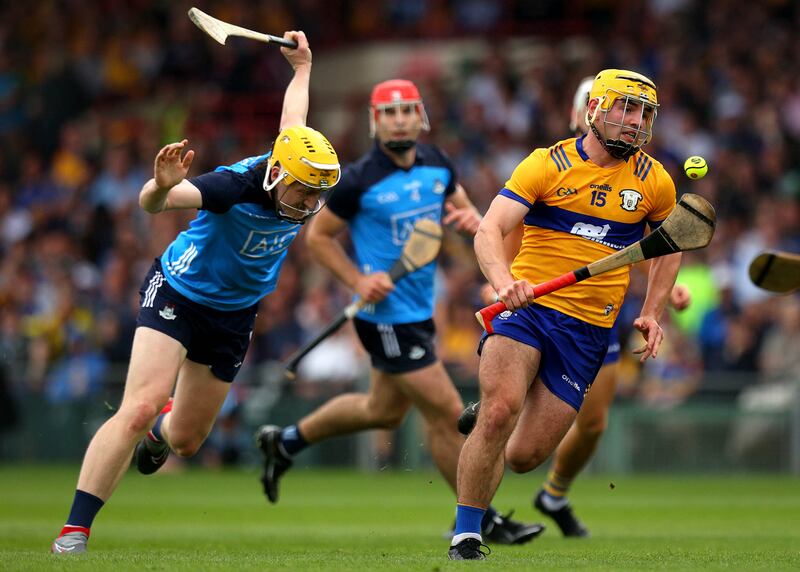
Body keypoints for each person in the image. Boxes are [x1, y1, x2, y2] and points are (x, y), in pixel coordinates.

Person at [50, 31, 341, 554]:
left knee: (186, 440)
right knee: (138, 407)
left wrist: (302, 67)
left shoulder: (292, 163)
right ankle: (74, 531)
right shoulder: (233, 185)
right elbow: (152, 206)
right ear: (276, 174)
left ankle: (162, 434)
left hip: (233, 315)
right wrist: (161, 184)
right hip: (178, 293)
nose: (308, 200)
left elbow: (292, 123)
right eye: (303, 189)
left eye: (317, 192)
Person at [256, 78, 544, 545]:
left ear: (421, 116)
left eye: (406, 110)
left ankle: (284, 442)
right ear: (376, 121)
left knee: (383, 411)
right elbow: (318, 238)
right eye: (388, 113)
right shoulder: (359, 178)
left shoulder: (437, 164)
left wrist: (472, 220)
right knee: (448, 412)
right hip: (384, 317)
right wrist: (357, 280)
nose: (398, 119)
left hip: (419, 311)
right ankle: (480, 519)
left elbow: (466, 212)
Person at [448, 69, 683, 560]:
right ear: (595, 110)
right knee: (499, 412)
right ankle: (466, 534)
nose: (635, 122)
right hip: (529, 309)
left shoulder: (654, 181)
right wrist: (501, 283)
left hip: (589, 331)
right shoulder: (546, 164)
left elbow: (669, 248)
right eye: (624, 108)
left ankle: (496, 426)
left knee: (523, 456)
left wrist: (653, 310)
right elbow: (488, 231)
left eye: (643, 113)